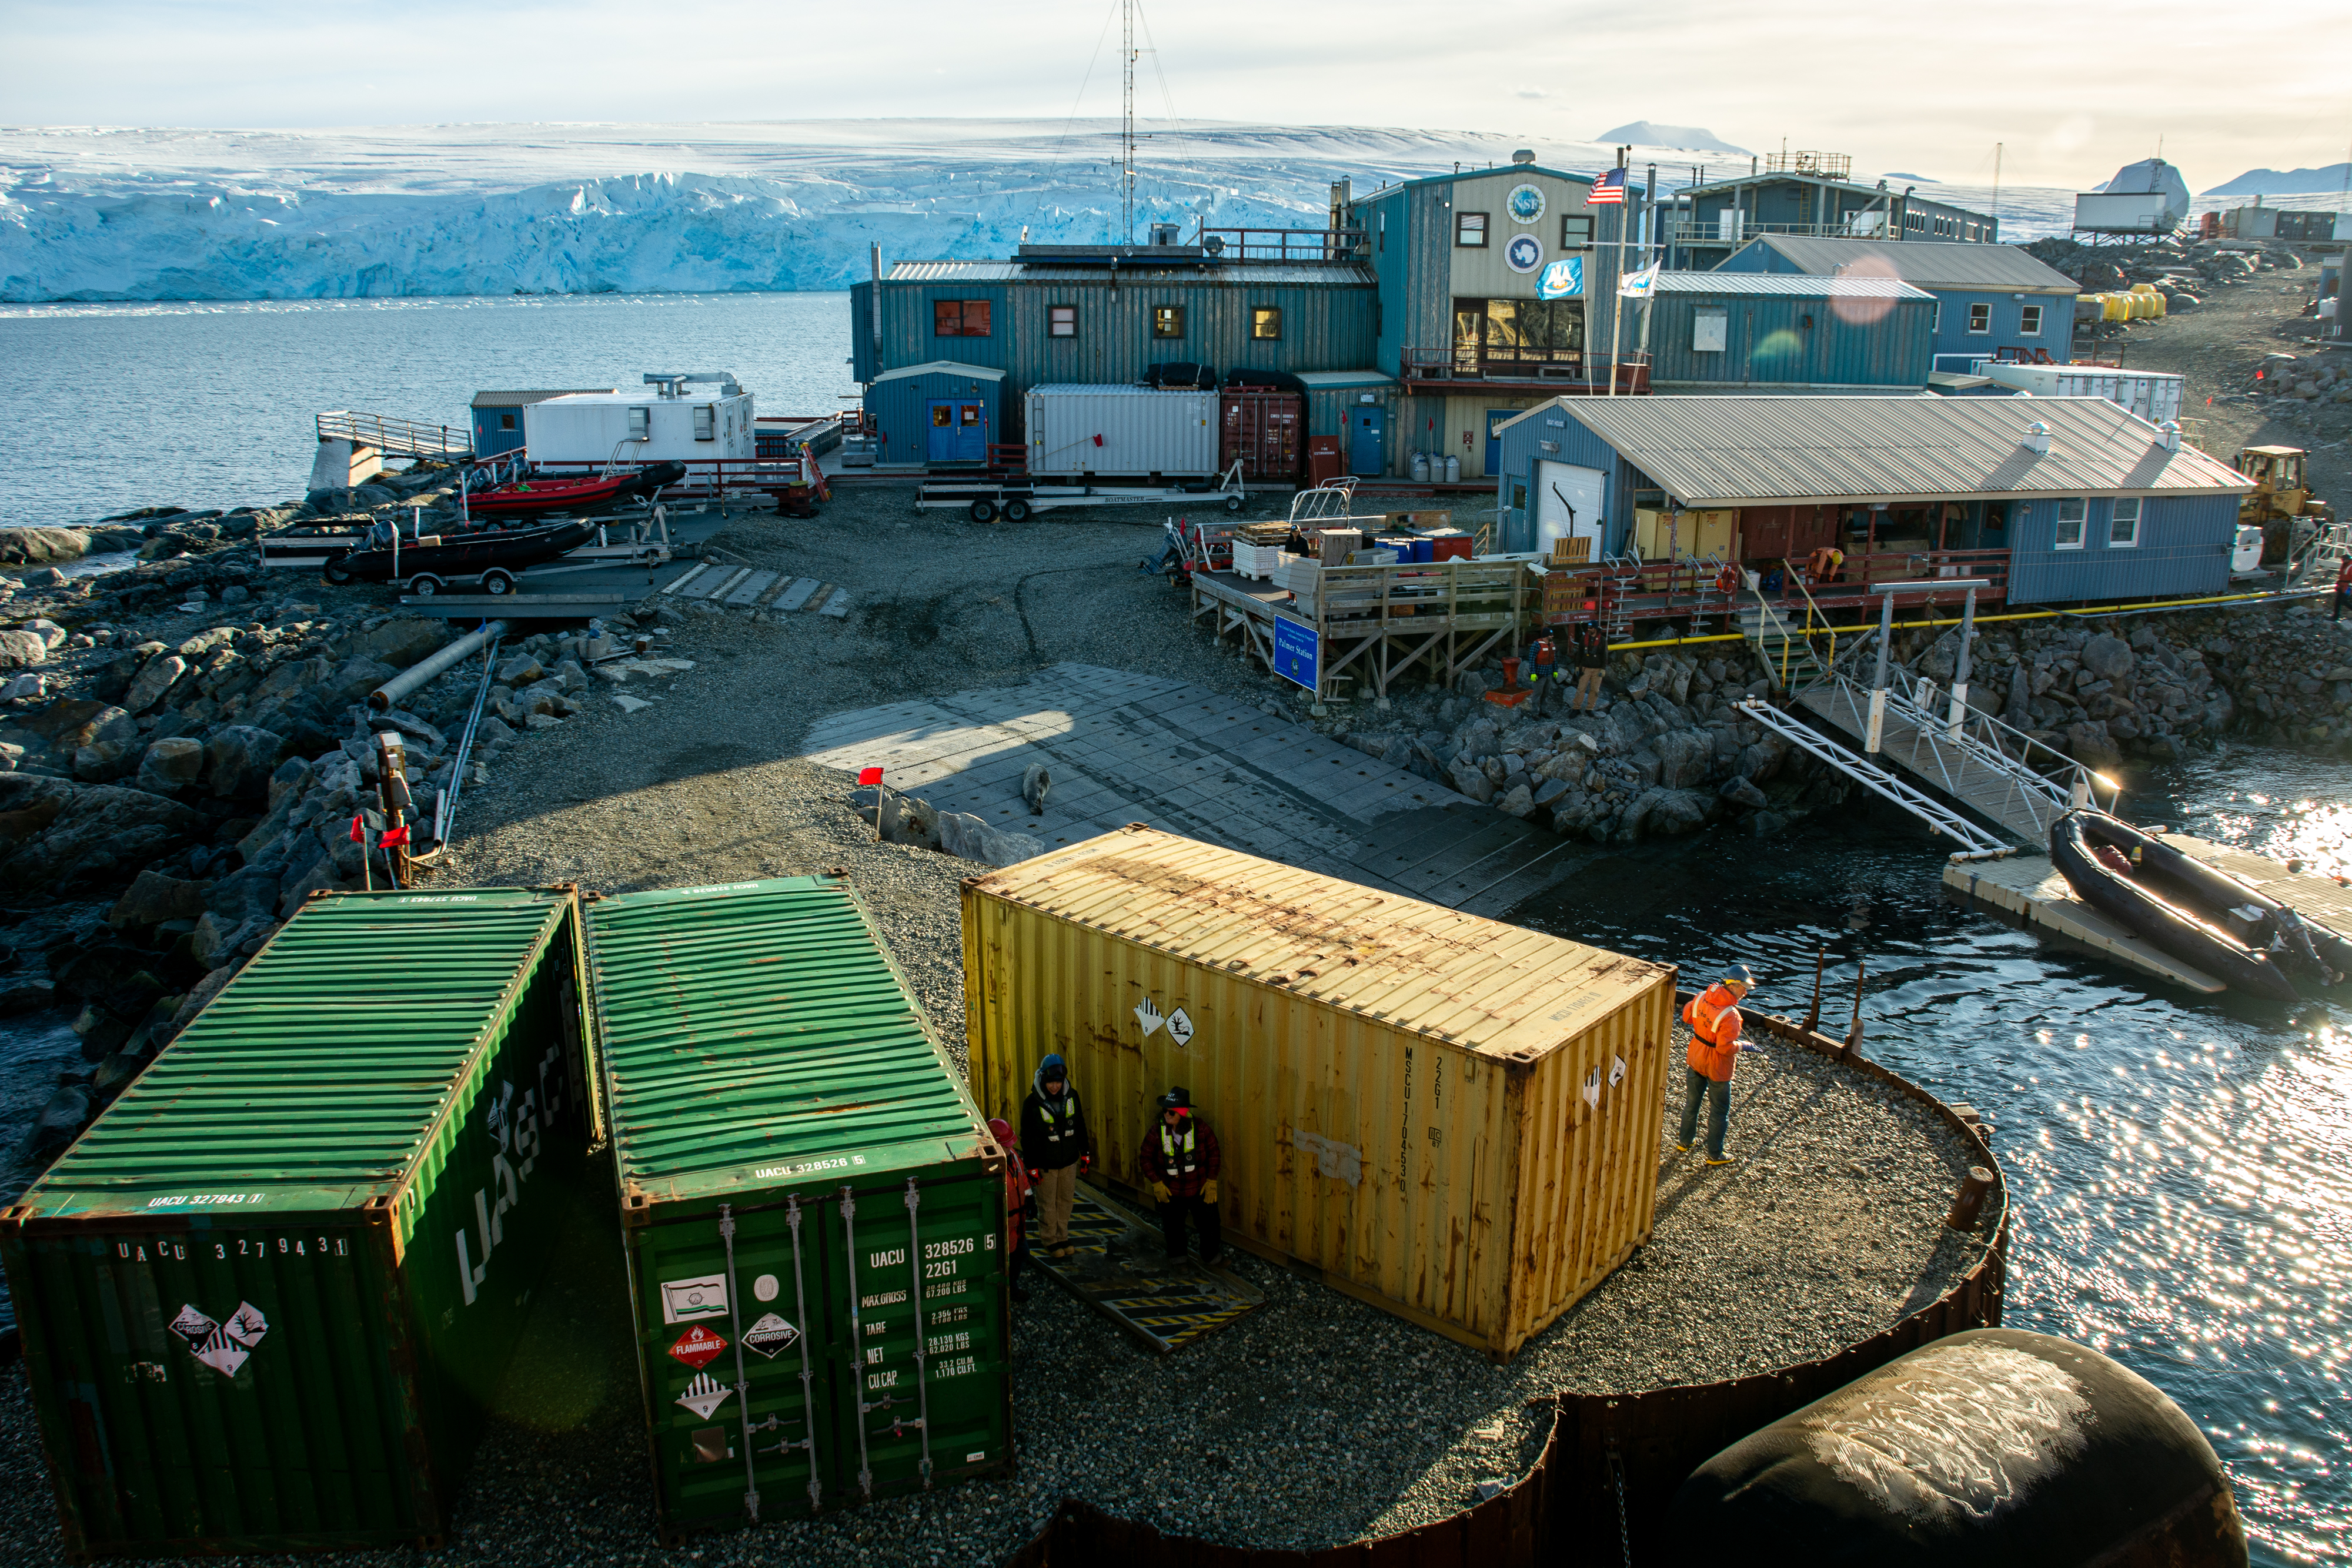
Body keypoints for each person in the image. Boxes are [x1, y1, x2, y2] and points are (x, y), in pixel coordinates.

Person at [1018, 1052, 1091, 1261]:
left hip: (1069, 1162)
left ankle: (1063, 1236)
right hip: (1046, 1166)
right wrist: (1031, 1167)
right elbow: (1028, 1138)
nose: (1054, 1087)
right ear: (1043, 1079)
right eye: (1050, 1082)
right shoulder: (1032, 1104)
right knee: (1048, 1203)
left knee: (1066, 1200)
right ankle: (1050, 1239)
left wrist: (1085, 1153)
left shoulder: (1072, 1096)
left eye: (1058, 1082)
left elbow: (1080, 1126)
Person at [1678, 966, 1753, 1166]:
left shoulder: (1702, 996)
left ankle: (1685, 1142)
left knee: (1692, 1104)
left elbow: (1686, 1016)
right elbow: (1724, 1049)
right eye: (1744, 987)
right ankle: (1715, 1154)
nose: (1746, 992)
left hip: (1696, 1057)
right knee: (1719, 1111)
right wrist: (1744, 1046)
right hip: (1717, 1067)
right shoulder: (1732, 1016)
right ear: (1734, 985)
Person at [1140, 1086, 1222, 1265]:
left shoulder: (1201, 1129)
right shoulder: (1157, 1131)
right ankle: (1178, 1259)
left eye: (1171, 1112)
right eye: (1164, 1110)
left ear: (1183, 1113)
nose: (1166, 1115)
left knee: (1210, 1225)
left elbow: (1214, 1152)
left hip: (1199, 1187)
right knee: (1173, 1227)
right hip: (1171, 1190)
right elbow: (1145, 1157)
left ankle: (1212, 1258)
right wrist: (1156, 1183)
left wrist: (1212, 1180)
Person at [988, 1116, 1035, 1303]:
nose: (1010, 1149)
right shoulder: (990, 1168)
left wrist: (1030, 1200)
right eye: (1006, 1146)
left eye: (1010, 1145)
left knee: (1021, 1254)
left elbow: (1023, 1180)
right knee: (1007, 1259)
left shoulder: (1013, 1158)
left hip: (1017, 1221)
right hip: (1004, 1225)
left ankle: (1012, 1288)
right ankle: (1006, 1293)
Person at [1572, 622, 1609, 713]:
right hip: (1585, 668)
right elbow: (1580, 653)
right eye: (1588, 628)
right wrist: (1577, 666)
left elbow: (1605, 655)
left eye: (1591, 628)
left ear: (1595, 629)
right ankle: (1576, 708)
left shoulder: (1603, 640)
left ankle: (1590, 708)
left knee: (1595, 690)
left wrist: (1603, 669)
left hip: (1597, 670)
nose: (1589, 630)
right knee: (1581, 689)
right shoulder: (1583, 638)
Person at [2334, 557, 2352, 622]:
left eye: (2344, 559)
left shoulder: (2350, 566)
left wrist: (2350, 587)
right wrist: (2338, 584)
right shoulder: (2345, 566)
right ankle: (2335, 616)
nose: (2343, 560)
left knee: (2343, 601)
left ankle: (2336, 616)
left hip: (2348, 587)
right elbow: (2342, 576)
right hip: (2342, 586)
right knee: (2338, 601)